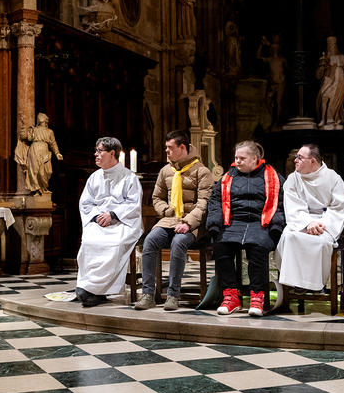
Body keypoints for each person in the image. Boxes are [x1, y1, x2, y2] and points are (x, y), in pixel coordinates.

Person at [135, 130, 213, 311]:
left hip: (194, 223)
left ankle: (173, 295)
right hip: (169, 220)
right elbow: (157, 197)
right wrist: (165, 210)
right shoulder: (165, 171)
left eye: (170, 148)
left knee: (178, 242)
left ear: (182, 147)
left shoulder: (202, 171)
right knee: (150, 241)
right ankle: (148, 294)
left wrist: (187, 223)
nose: (166, 151)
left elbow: (204, 204)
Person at [207, 141, 285, 318]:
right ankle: (231, 296)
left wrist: (276, 226)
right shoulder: (228, 176)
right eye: (236, 158)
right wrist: (214, 224)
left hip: (261, 223)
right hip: (233, 222)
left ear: (254, 159)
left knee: (257, 247)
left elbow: (281, 203)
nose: (237, 161)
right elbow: (215, 201)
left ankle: (257, 296)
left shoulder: (273, 176)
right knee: (220, 245)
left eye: (242, 158)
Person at [75, 137, 143, 308]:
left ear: (112, 153)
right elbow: (85, 203)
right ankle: (88, 286)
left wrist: (113, 214)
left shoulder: (129, 177)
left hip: (121, 223)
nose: (95, 154)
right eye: (96, 150)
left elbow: (133, 204)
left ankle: (98, 291)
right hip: (98, 222)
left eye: (100, 151)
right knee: (88, 242)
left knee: (115, 244)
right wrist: (97, 216)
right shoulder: (94, 177)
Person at [276, 144, 344, 294]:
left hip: (325, 224)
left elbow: (338, 208)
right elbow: (293, 207)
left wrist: (320, 225)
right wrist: (308, 223)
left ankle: (315, 284)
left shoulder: (333, 178)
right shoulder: (293, 179)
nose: (295, 160)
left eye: (300, 158)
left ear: (313, 161)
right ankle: (296, 284)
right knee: (289, 237)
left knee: (321, 243)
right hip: (300, 222)